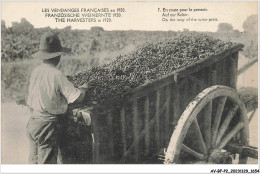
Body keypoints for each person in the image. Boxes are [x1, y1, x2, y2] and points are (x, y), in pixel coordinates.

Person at [26, 32, 92, 164]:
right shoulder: (56, 74)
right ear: (57, 57)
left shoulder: (36, 71)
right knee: (47, 164)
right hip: (46, 126)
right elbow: (77, 98)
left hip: (32, 123)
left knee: (33, 163)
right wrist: (83, 89)